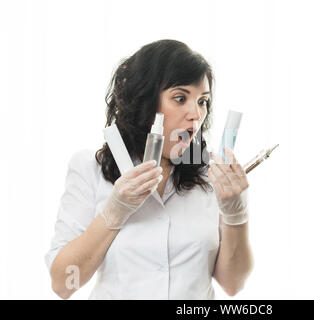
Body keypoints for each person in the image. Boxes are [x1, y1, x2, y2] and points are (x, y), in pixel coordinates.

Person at [44, 39, 254, 299]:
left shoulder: (212, 174)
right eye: (180, 98)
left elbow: (232, 285)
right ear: (145, 101)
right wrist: (113, 214)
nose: (196, 114)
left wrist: (236, 216)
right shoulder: (91, 168)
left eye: (202, 101)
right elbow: (64, 284)